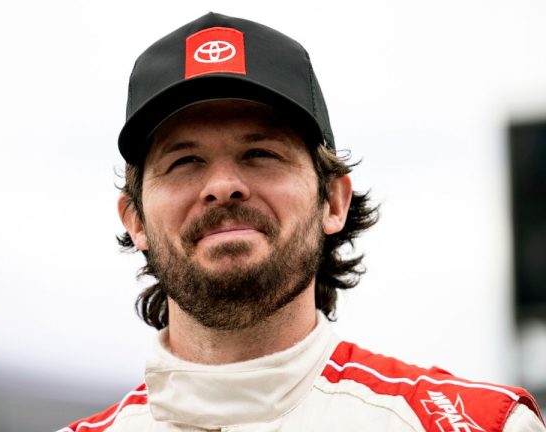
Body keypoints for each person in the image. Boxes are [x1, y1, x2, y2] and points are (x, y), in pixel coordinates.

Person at [59, 12, 545, 432]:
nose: (223, 185)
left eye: (260, 153)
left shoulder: (478, 424)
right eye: (184, 161)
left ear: (333, 201)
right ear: (135, 219)